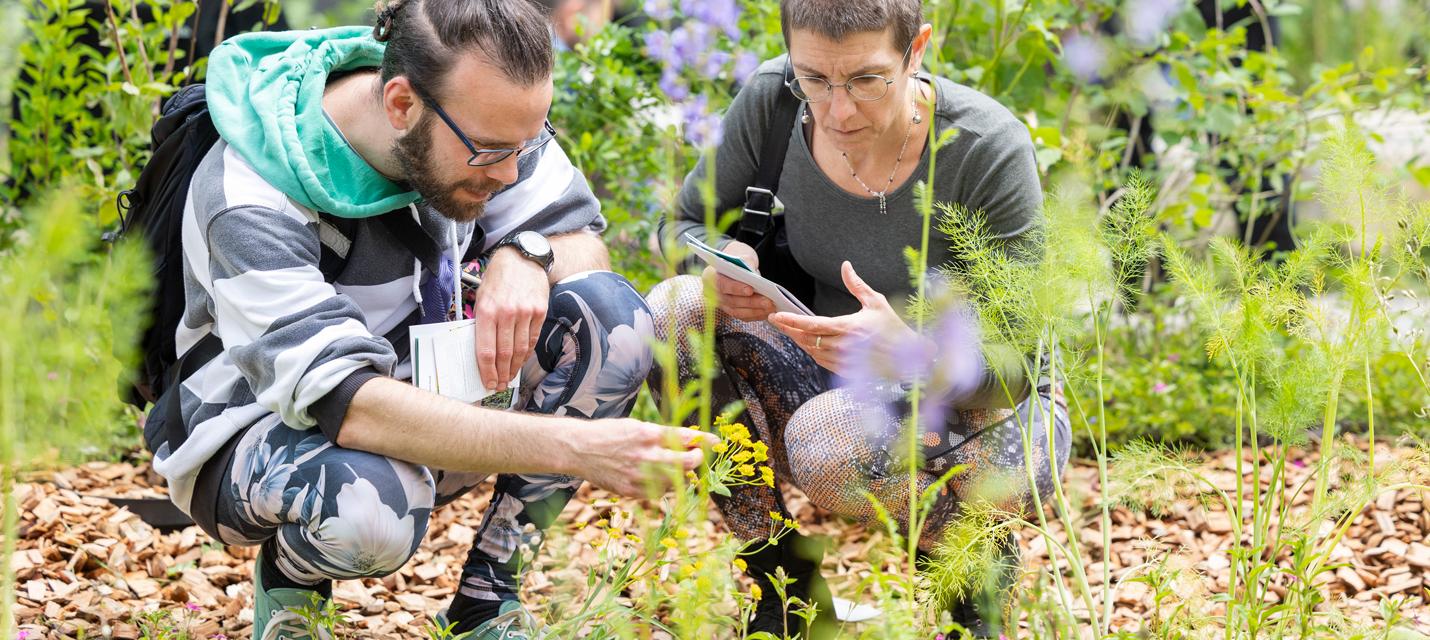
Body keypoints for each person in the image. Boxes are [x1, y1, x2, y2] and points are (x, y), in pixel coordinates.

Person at [147, 1, 711, 638]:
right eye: (490, 153)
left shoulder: (480, 118)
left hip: (417, 388)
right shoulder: (250, 194)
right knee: (370, 509)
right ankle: (291, 587)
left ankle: (487, 598)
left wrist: (527, 253)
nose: (508, 171)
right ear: (400, 105)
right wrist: (576, 447)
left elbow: (585, 248)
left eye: (522, 147)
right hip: (256, 428)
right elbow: (349, 404)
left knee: (614, 319)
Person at [646, 0, 1071, 637]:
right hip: (839, 383)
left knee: (830, 441)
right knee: (673, 310)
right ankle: (786, 590)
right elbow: (679, 224)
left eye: (868, 79)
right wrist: (722, 260)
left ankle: (972, 575)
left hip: (992, 409)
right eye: (814, 78)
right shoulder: (774, 100)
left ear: (917, 49)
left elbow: (1015, 361)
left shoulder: (986, 146)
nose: (838, 111)